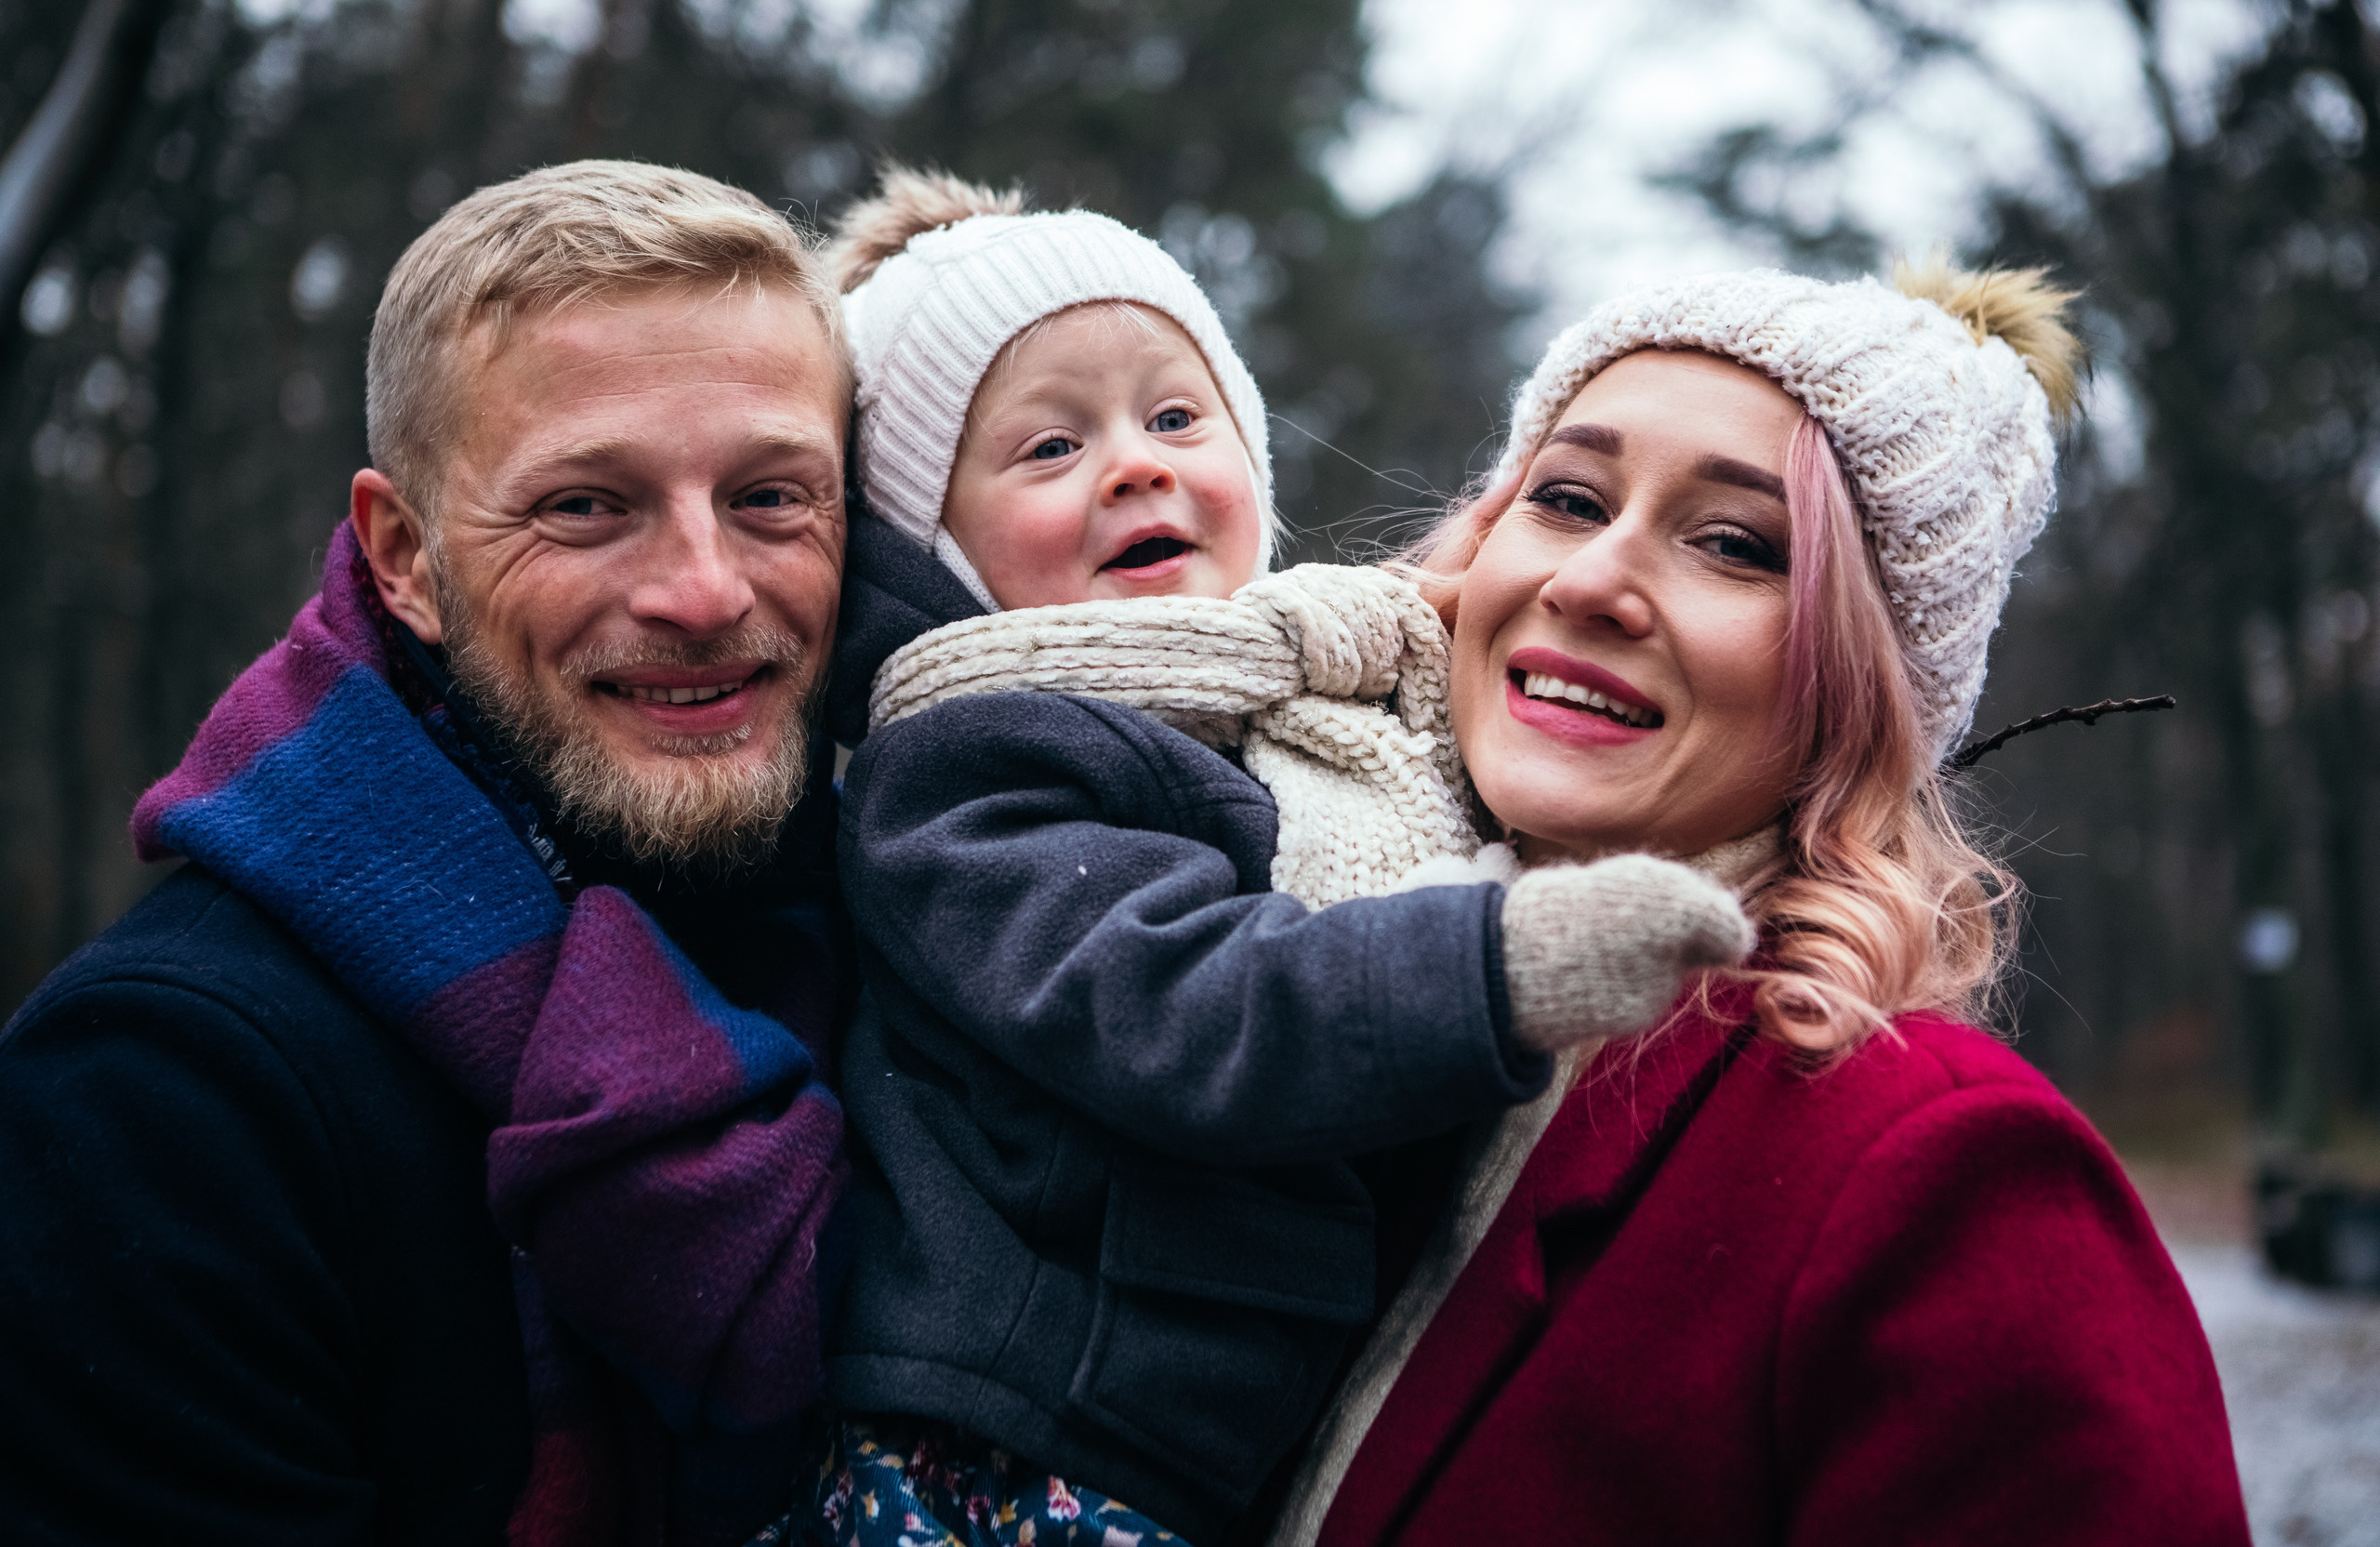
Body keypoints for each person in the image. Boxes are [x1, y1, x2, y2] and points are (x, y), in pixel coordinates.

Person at [773, 170, 1760, 1547]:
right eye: (1048, 449)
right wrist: (1498, 959)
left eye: (1178, 414)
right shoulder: (966, 769)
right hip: (1014, 1457)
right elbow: (1183, 1003)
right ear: (932, 546)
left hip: (1193, 1451)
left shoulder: (1285, 716)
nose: (1137, 461)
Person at [1263, 262, 2253, 1546]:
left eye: (1735, 543)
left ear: (1858, 690)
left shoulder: (1937, 1174)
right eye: (1567, 499)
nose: (1592, 581)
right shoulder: (1277, 1017)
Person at [0, 162, 853, 1547]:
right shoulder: (161, 1094)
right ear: (402, 556)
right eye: (586, 506)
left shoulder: (914, 960)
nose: (705, 589)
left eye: (770, 498)